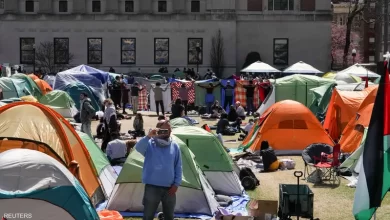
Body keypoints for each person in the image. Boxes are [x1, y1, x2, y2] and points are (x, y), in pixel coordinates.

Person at [135, 120, 183, 220]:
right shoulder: (150, 144)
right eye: (165, 129)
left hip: (170, 188)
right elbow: (138, 148)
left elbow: (178, 166)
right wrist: (149, 136)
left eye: (170, 129)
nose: (168, 132)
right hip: (152, 187)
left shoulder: (174, 146)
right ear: (158, 130)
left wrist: (176, 184)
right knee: (148, 216)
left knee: (169, 216)